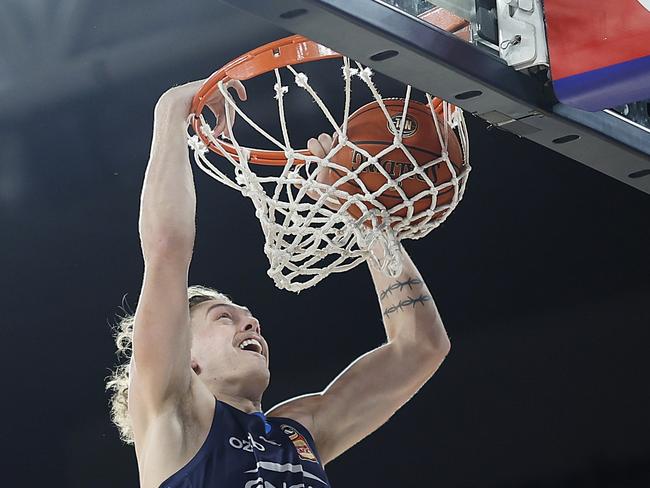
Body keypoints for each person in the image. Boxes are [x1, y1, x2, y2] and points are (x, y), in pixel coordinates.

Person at [106, 79, 452, 488]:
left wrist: (364, 215)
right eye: (224, 318)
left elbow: (421, 347)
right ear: (187, 357)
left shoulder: (298, 430)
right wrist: (173, 109)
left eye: (247, 318)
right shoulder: (174, 417)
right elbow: (166, 251)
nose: (251, 324)